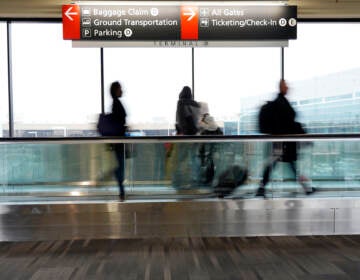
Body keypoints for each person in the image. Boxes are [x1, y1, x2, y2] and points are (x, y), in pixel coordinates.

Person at [256, 79, 316, 197]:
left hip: (281, 142)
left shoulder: (280, 102)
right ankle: (306, 188)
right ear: (281, 87)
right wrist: (301, 133)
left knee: (280, 165)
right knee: (286, 165)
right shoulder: (281, 102)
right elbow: (288, 122)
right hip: (284, 142)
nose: (288, 88)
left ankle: (261, 188)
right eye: (286, 86)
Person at [110, 81, 127, 200]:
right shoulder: (116, 104)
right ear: (116, 90)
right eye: (120, 89)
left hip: (118, 140)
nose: (122, 91)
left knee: (119, 165)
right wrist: (124, 128)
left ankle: (121, 189)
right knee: (119, 165)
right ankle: (121, 190)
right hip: (118, 140)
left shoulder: (115, 103)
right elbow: (118, 122)